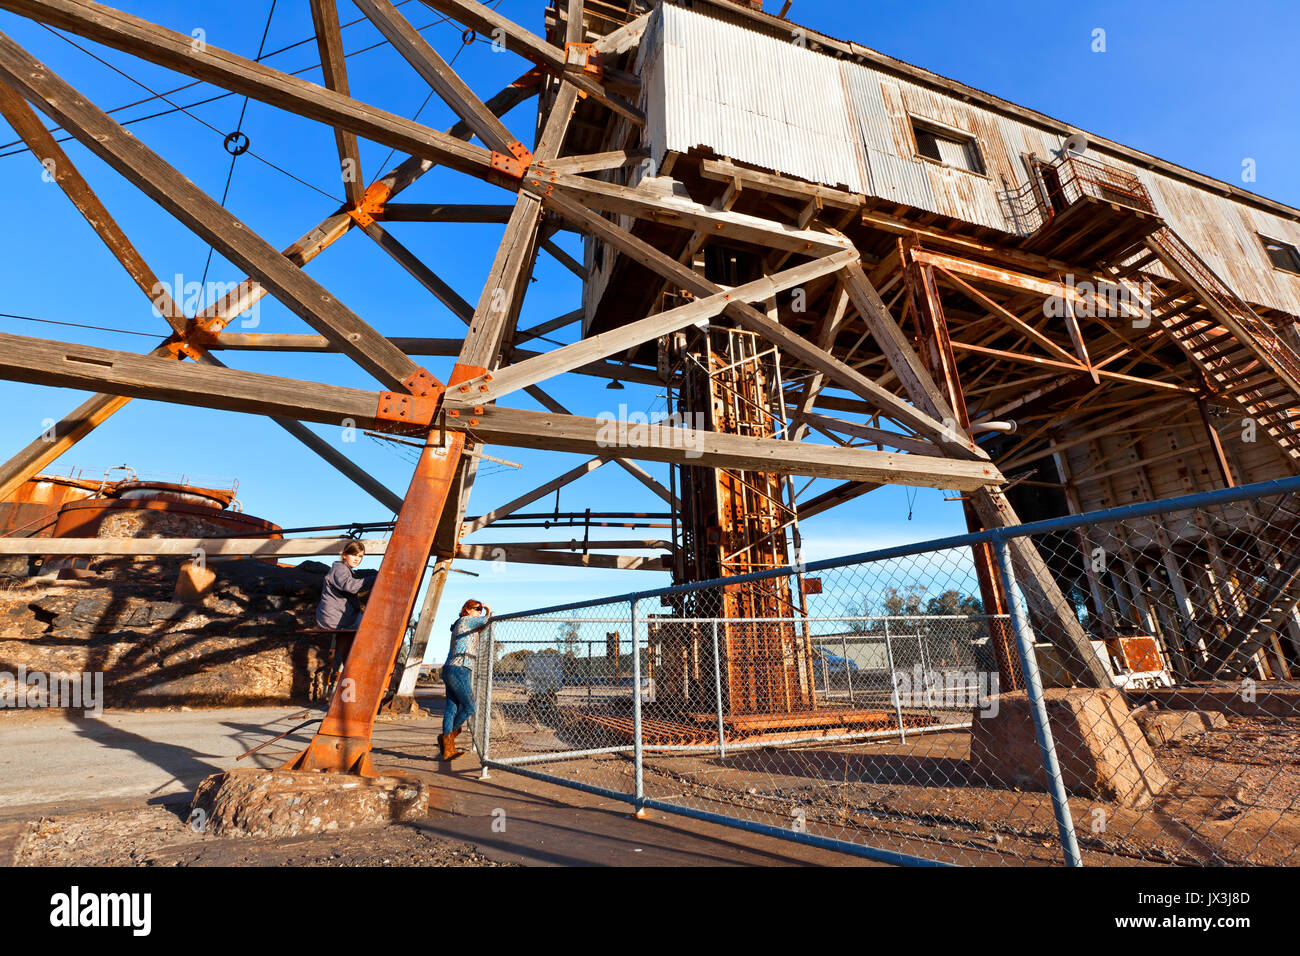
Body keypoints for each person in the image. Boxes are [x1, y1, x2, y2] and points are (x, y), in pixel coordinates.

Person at [440, 598, 490, 761]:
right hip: (459, 668)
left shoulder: (463, 624)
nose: (479, 612)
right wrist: (489, 611)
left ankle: (448, 750)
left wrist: (483, 617)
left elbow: (482, 626)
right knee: (470, 706)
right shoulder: (466, 620)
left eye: (480, 610)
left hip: (451, 668)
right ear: (467, 610)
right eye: (477, 608)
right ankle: (447, 737)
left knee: (451, 708)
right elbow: (486, 620)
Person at [315, 541, 378, 631]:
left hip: (334, 618)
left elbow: (357, 574)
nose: (357, 559)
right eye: (353, 555)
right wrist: (374, 579)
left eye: (360, 556)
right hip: (334, 619)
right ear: (344, 555)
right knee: (372, 624)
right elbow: (350, 585)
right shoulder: (339, 568)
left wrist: (374, 572)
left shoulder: (345, 570)